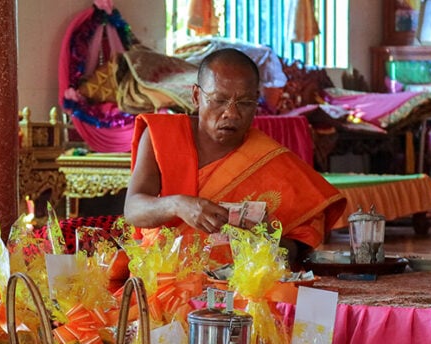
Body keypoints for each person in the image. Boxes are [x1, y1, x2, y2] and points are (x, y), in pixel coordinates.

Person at [124, 48, 345, 268]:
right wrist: (177, 205)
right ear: (196, 96)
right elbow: (133, 209)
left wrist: (267, 240)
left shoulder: (271, 160)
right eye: (219, 100)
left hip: (241, 288)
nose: (232, 113)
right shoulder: (162, 136)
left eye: (245, 103)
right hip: (165, 276)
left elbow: (297, 251)